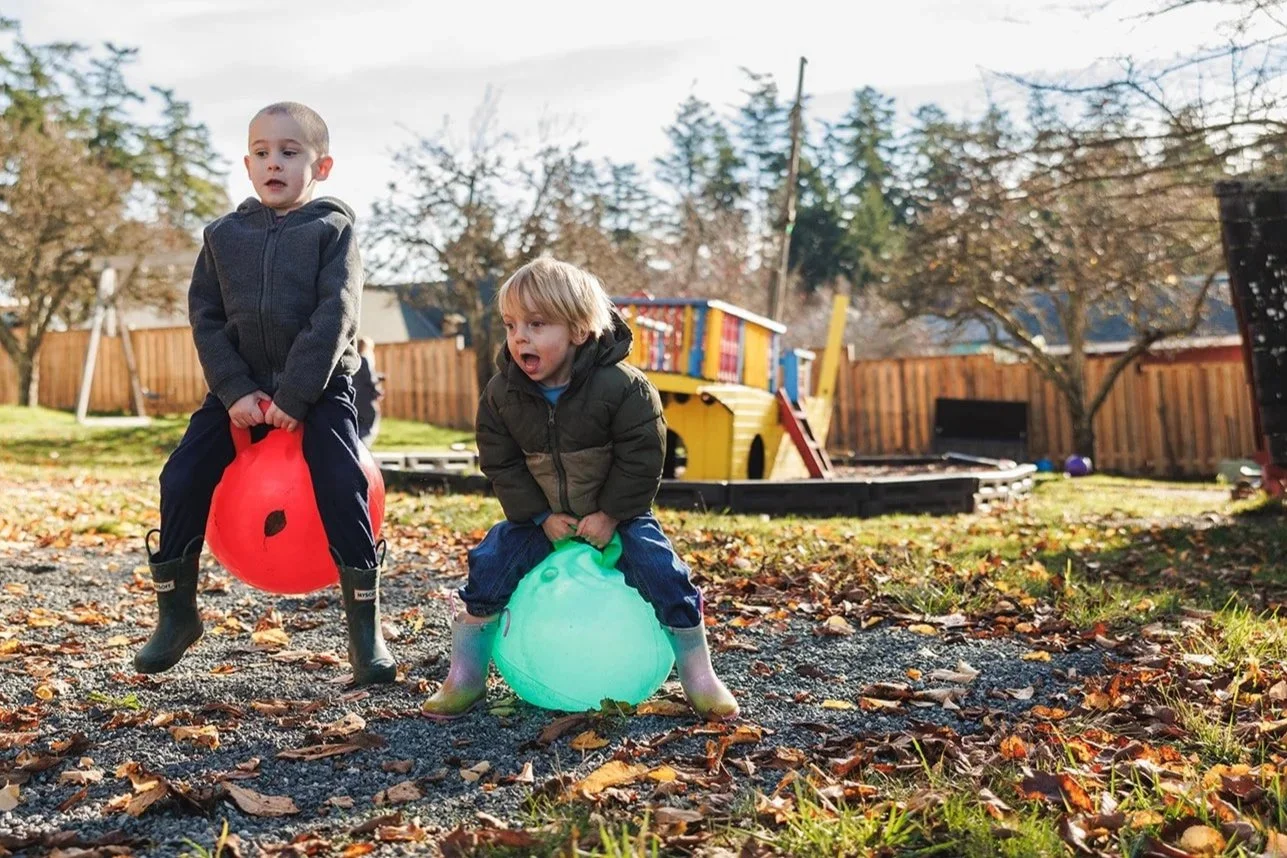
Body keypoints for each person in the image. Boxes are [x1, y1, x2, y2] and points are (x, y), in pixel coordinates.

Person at [133, 102, 395, 686]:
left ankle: (364, 627)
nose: (273, 162)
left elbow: (336, 318)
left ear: (320, 166)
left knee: (342, 475)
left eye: (289, 151)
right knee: (180, 475)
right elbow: (205, 317)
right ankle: (176, 615)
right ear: (247, 164)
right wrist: (234, 391)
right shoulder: (223, 236)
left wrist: (296, 397)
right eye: (261, 152)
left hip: (321, 388)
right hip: (239, 391)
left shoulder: (333, 229)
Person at [421, 257, 738, 721]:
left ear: (578, 331)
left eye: (537, 324)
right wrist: (540, 517)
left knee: (663, 572)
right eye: (511, 325)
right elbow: (501, 463)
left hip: (619, 515)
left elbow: (643, 456)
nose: (520, 337)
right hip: (539, 518)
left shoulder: (625, 388)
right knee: (488, 566)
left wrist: (610, 514)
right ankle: (465, 675)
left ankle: (699, 674)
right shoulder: (501, 395)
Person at [354, 337, 384, 447]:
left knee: (358, 427)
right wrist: (378, 389)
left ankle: (357, 449)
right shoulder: (366, 360)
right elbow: (370, 379)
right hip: (367, 400)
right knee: (369, 428)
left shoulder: (353, 361)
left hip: (356, 400)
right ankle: (363, 449)